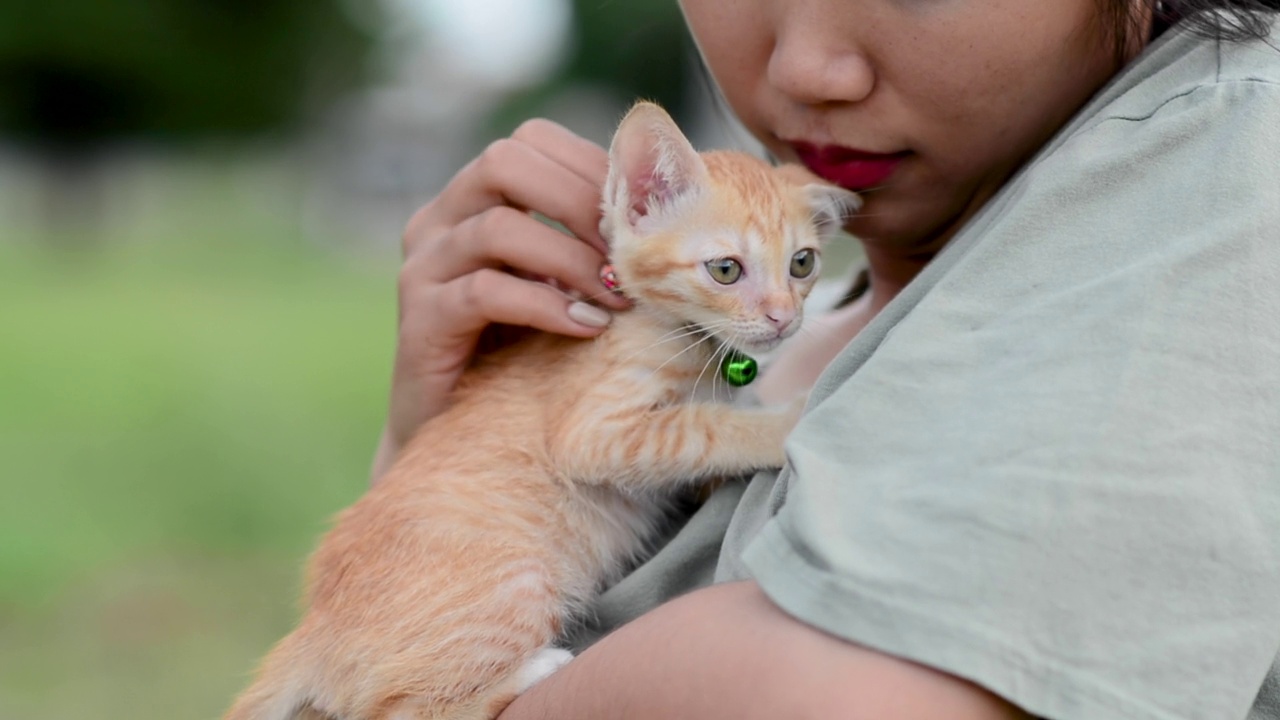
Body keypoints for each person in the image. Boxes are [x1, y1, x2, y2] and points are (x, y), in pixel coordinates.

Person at [378, 0, 1280, 717]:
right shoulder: (782, 330)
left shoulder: (1232, 152)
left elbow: (857, 698)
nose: (808, 68)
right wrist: (432, 451)